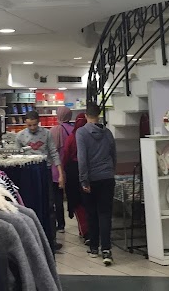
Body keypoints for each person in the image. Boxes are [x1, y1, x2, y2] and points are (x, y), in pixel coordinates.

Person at [15, 110, 65, 252]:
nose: (32, 128)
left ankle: (51, 240)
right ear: (25, 123)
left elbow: (54, 153)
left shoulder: (46, 134)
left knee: (49, 205)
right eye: (29, 125)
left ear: (39, 122)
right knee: (29, 206)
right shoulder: (20, 136)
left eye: (35, 125)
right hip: (28, 173)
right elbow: (16, 157)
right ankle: (30, 240)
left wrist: (60, 174)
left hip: (45, 172)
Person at [76, 101, 117, 266]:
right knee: (105, 214)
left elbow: (82, 159)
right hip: (107, 177)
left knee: (91, 213)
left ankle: (94, 247)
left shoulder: (81, 133)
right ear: (99, 115)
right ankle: (106, 249)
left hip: (91, 178)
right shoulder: (108, 133)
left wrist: (83, 179)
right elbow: (113, 154)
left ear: (86, 116)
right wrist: (111, 171)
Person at [62, 112, 89, 242]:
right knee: (89, 202)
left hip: (73, 171)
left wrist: (63, 169)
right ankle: (92, 230)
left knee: (77, 202)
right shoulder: (90, 136)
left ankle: (84, 231)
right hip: (89, 170)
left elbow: (66, 154)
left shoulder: (72, 137)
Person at [50, 106, 73, 233]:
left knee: (57, 198)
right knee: (74, 197)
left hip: (56, 169)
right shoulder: (74, 130)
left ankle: (61, 224)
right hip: (71, 168)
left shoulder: (54, 130)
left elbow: (50, 150)